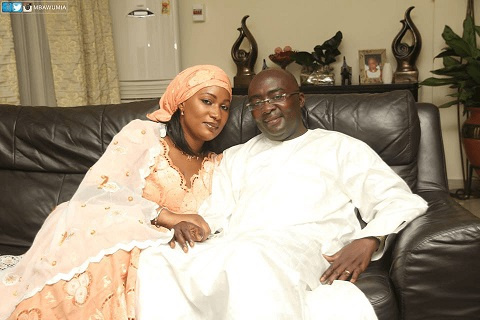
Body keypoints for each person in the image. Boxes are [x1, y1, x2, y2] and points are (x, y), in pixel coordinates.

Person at [136, 68, 428, 319]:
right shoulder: (236, 156)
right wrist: (193, 226)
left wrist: (368, 238)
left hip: (300, 246)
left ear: (300, 100)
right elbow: (216, 212)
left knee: (248, 257)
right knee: (156, 261)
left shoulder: (340, 147)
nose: (267, 107)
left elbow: (397, 199)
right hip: (236, 244)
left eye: (277, 96)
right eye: (257, 101)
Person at [0, 65, 232, 319]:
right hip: (108, 231)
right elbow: (100, 190)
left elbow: (215, 218)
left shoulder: (217, 165)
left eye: (224, 107)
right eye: (207, 101)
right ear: (182, 103)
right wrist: (167, 217)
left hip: (162, 257)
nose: (216, 114)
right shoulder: (144, 134)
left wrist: (194, 228)